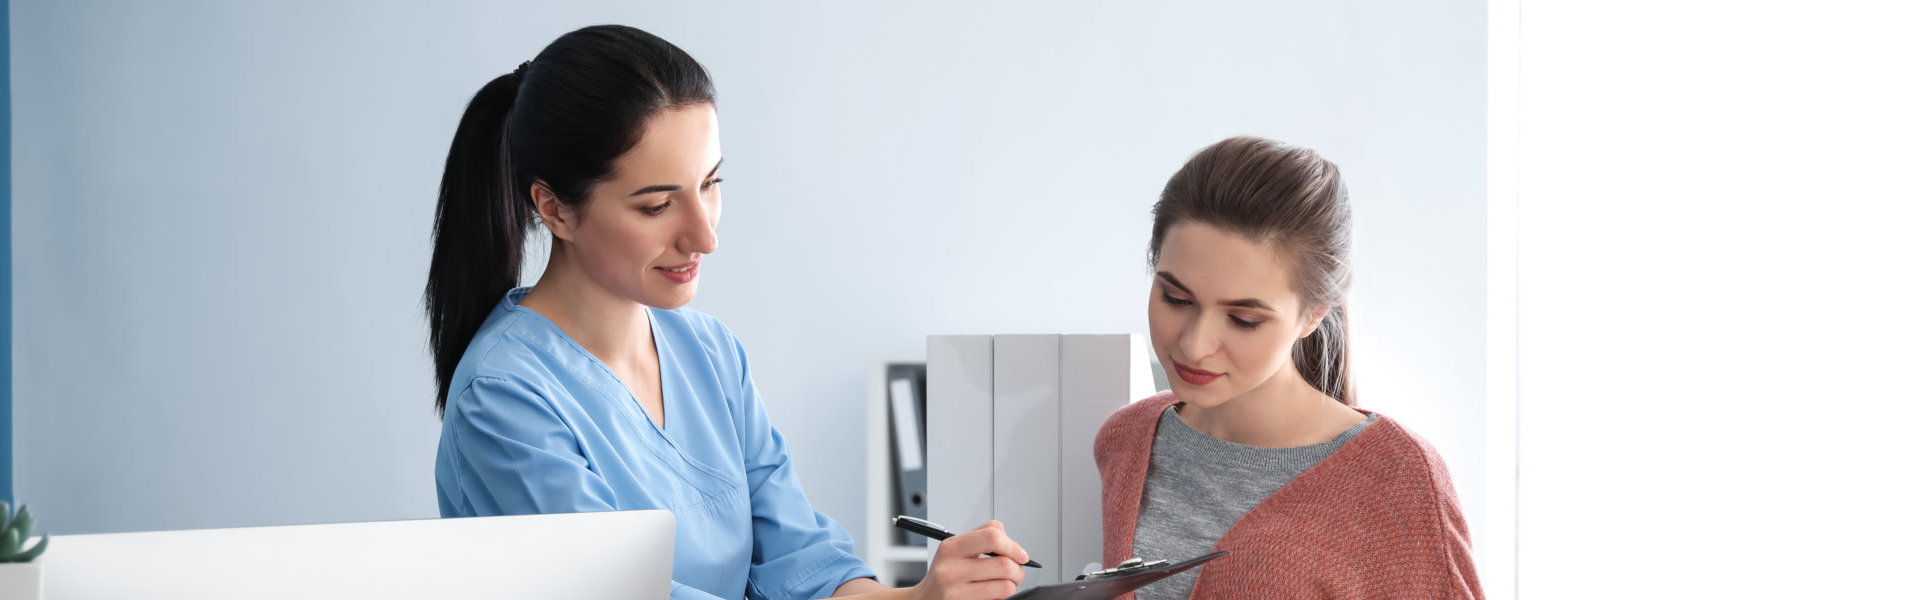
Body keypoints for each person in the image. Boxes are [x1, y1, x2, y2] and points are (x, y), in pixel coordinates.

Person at [425, 25, 1028, 600]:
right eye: (658, 205)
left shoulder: (710, 354)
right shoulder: (503, 397)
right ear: (554, 210)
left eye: (710, 184)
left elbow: (804, 562)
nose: (704, 237)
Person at [1093, 137, 1482, 598]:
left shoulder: (1398, 479)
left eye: (1243, 319)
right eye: (1176, 298)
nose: (1194, 345)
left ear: (1314, 314)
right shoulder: (1126, 441)